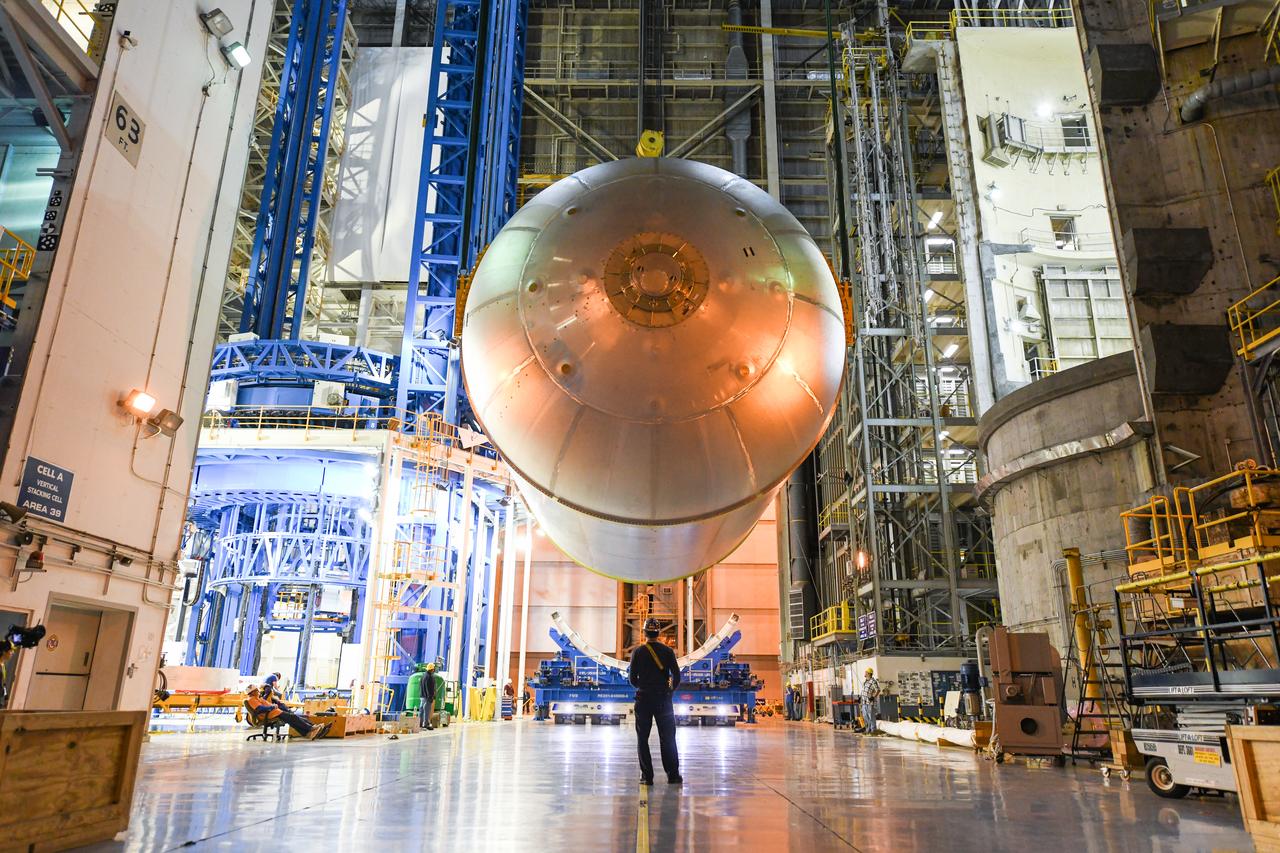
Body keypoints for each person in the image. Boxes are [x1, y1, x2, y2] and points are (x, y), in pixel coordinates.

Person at [628, 618, 682, 786]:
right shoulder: (668, 651)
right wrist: (669, 691)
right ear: (659, 633)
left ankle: (647, 776)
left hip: (644, 699)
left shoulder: (638, 652)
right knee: (668, 738)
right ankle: (673, 775)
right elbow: (677, 676)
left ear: (644, 633)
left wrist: (643, 687)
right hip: (663, 699)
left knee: (642, 738)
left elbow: (632, 679)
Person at [246, 686, 330, 740]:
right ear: (252, 692)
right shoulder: (251, 699)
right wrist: (271, 707)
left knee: (294, 719)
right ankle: (311, 729)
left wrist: (274, 705)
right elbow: (259, 709)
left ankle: (310, 731)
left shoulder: (258, 698)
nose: (258, 691)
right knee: (293, 718)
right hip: (270, 714)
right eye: (256, 690)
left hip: (275, 712)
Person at [860, 668, 881, 734]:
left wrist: (873, 697)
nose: (865, 673)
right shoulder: (865, 682)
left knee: (871, 716)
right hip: (864, 702)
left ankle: (873, 730)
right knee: (865, 716)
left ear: (869, 673)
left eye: (866, 672)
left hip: (870, 703)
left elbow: (878, 690)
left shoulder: (873, 681)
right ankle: (868, 729)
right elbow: (864, 691)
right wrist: (860, 698)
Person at [420, 662, 438, 730]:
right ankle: (426, 724)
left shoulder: (423, 675)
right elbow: (429, 688)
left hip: (422, 696)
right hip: (427, 697)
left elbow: (421, 686)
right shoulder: (430, 677)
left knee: (421, 710)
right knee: (427, 710)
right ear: (432, 669)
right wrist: (430, 696)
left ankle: (420, 723)